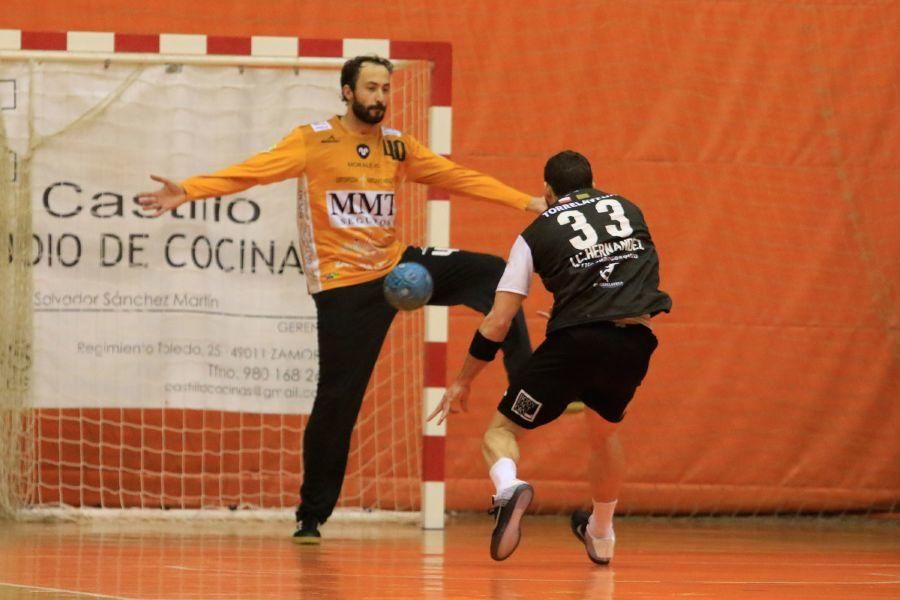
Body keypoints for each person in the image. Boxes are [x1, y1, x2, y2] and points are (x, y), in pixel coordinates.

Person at [137, 55, 543, 543]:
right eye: (370, 88)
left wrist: (527, 202)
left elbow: (455, 176)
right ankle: (311, 514)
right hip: (343, 287)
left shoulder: (397, 146)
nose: (380, 97)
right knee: (338, 400)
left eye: (386, 89)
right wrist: (190, 189)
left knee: (494, 273)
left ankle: (527, 382)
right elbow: (254, 172)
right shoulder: (313, 140)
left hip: (397, 267)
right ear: (347, 92)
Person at [428, 150, 672, 564]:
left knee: (500, 432)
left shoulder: (535, 233)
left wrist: (463, 379)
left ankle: (508, 489)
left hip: (575, 343)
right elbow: (630, 279)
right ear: (592, 181)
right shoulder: (631, 210)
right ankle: (602, 531)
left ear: (547, 188)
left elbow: (498, 320)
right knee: (604, 433)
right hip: (634, 342)